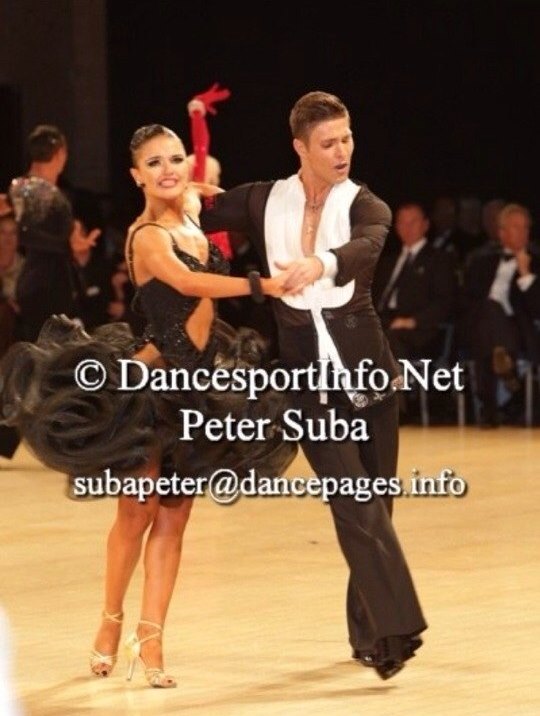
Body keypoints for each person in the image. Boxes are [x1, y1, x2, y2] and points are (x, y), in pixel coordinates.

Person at [0, 124, 297, 687]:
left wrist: (214, 189)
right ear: (136, 175)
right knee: (135, 513)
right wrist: (266, 285)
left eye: (175, 159)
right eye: (154, 163)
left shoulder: (192, 211)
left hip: (199, 388)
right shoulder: (146, 237)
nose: (168, 169)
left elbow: (212, 195)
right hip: (151, 390)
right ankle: (109, 622)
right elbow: (189, 282)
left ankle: (152, 638)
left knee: (175, 517)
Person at [199, 90, 427, 679]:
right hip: (306, 385)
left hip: (370, 379)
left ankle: (370, 633)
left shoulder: (366, 204)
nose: (342, 150)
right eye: (328, 142)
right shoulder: (263, 199)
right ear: (300, 147)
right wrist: (170, 191)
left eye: (347, 137)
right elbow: (201, 212)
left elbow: (365, 247)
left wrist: (320, 264)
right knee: (354, 502)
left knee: (376, 506)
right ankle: (397, 629)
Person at [460, 202, 540, 426]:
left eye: (525, 227)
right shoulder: (481, 262)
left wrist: (526, 274)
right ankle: (508, 374)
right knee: (488, 314)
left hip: (517, 329)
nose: (522, 232)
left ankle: (489, 408)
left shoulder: (536, 263)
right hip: (482, 326)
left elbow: (537, 309)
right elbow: (465, 300)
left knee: (488, 325)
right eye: (516, 227)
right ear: (502, 233)